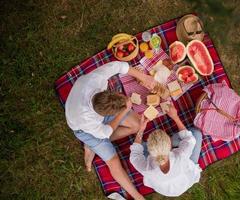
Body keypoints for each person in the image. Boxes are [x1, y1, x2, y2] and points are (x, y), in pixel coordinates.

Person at [65, 61, 156, 200]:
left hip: (96, 110)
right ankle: (137, 197)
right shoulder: (87, 120)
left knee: (137, 124)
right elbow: (106, 132)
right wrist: (125, 109)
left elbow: (120, 66)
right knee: (113, 161)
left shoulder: (97, 79)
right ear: (105, 115)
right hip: (83, 128)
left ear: (107, 92)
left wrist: (144, 77)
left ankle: (94, 145)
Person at [129, 104, 203, 197]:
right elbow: (189, 139)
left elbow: (134, 155)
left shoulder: (147, 170)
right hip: (186, 178)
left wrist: (141, 130)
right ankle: (168, 140)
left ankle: (155, 144)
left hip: (166, 189)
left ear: (150, 149)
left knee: (138, 145)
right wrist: (175, 117)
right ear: (170, 145)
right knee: (196, 133)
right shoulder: (181, 156)